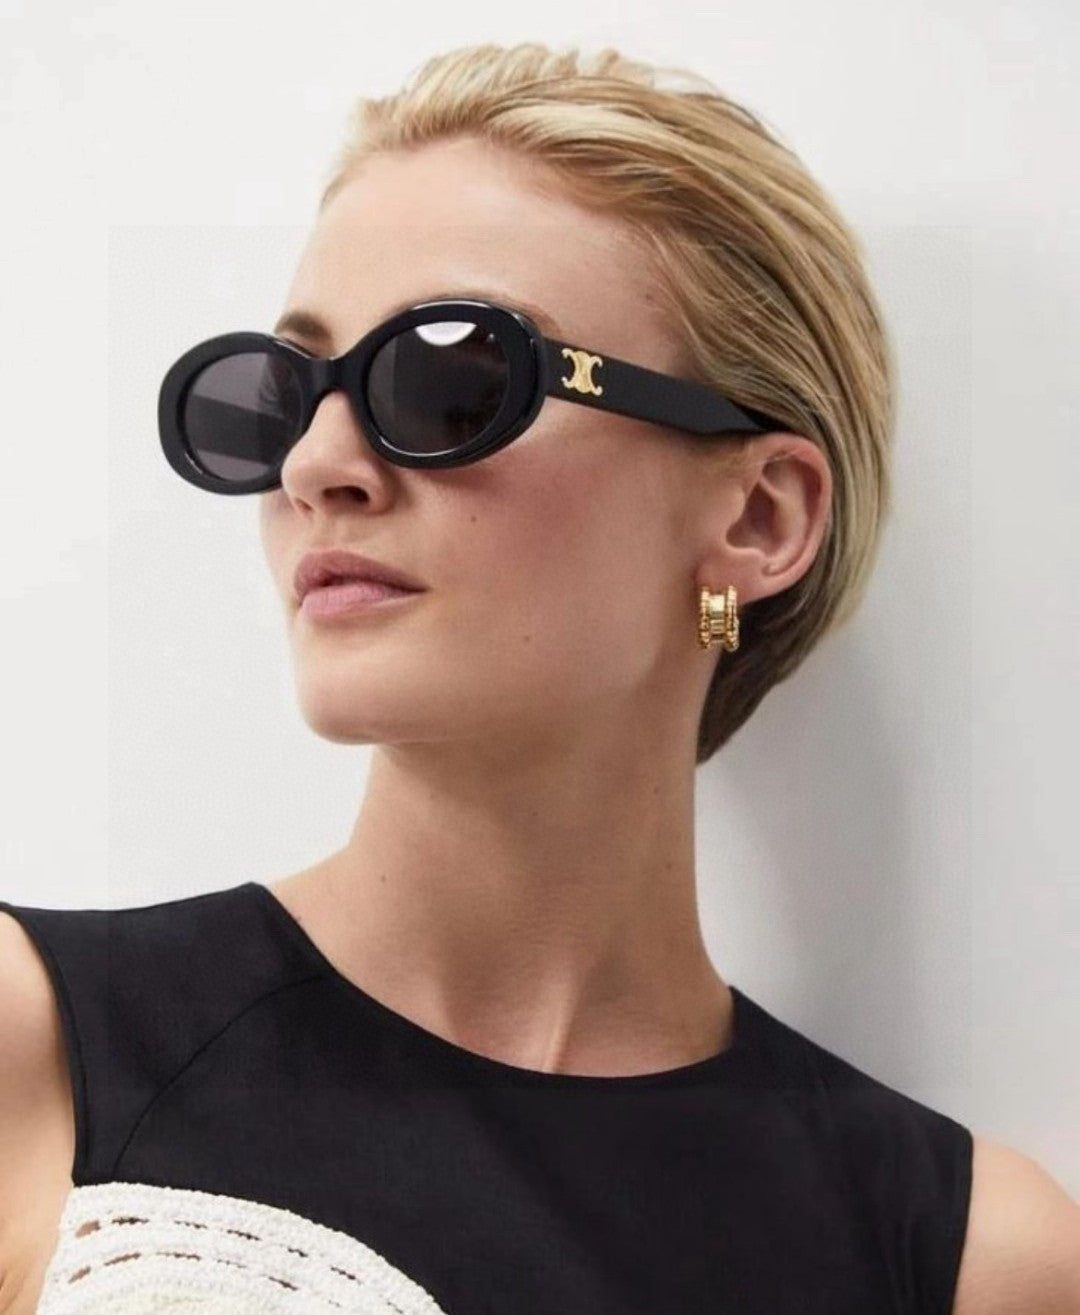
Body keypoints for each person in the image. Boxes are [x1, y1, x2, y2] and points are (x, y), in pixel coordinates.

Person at [2, 39, 1077, 1315]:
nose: (315, 466)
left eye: (452, 380)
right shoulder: (34, 1046)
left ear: (759, 517)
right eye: (283, 396)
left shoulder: (969, 1260)